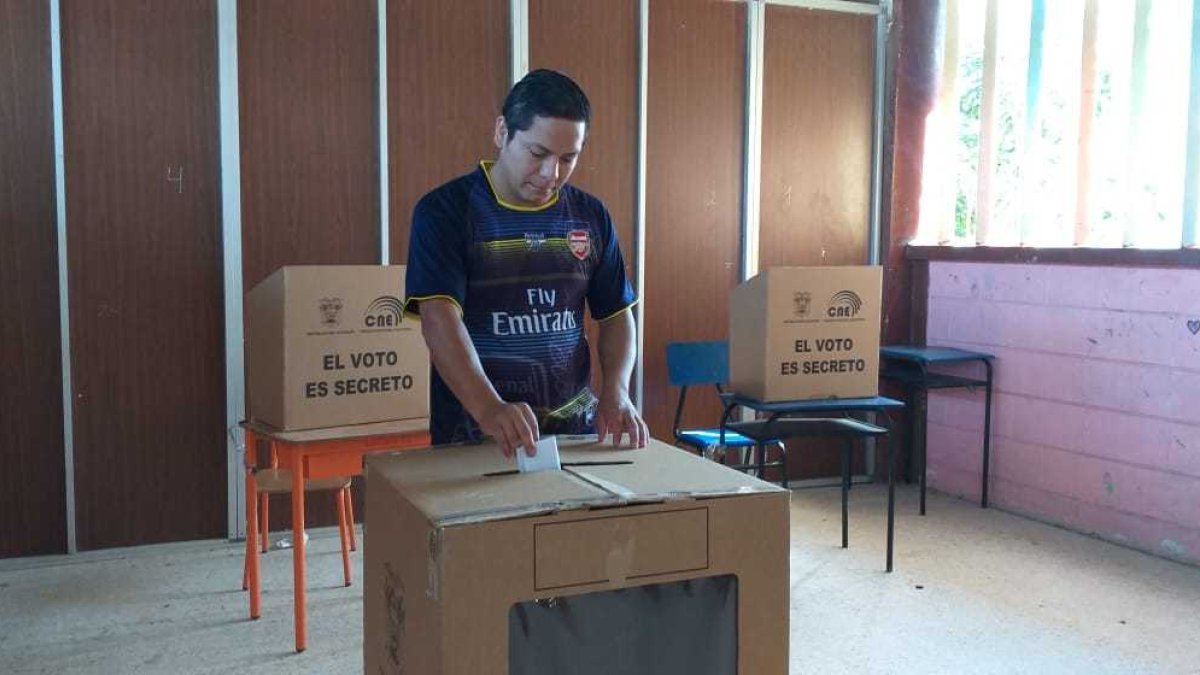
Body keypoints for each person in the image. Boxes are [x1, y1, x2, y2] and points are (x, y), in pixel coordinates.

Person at [404, 69, 647, 457]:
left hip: (574, 435)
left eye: (568, 158)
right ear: (502, 132)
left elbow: (616, 314)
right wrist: (489, 407)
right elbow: (439, 320)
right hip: (475, 434)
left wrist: (617, 390)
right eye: (537, 154)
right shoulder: (446, 211)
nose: (552, 173)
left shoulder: (590, 216)